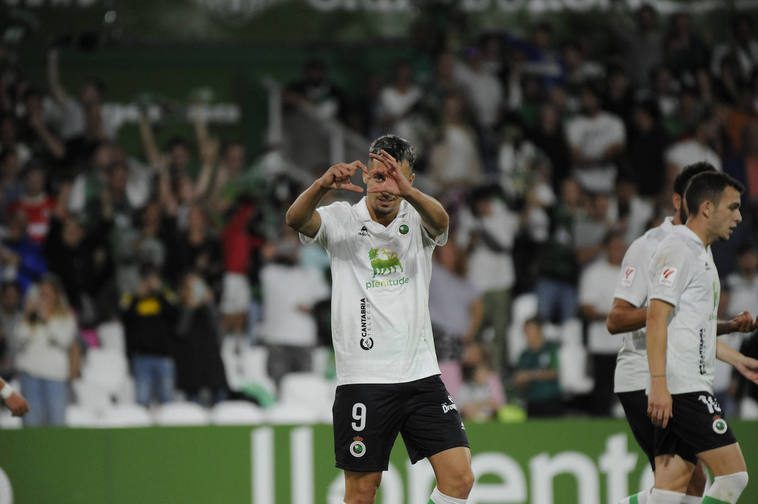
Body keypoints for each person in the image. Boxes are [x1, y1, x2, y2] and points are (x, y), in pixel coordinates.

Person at [286, 134, 474, 504]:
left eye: (395, 178)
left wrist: (410, 195)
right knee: (360, 492)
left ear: (409, 181)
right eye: (377, 177)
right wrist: (322, 186)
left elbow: (442, 220)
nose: (385, 187)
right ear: (367, 177)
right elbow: (296, 219)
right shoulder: (342, 218)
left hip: (421, 375)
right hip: (364, 380)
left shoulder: (418, 219)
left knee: (460, 479)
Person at [607, 164, 758, 504]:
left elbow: (689, 322)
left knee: (676, 489)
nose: (738, 217)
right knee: (733, 477)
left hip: (678, 380)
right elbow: (654, 317)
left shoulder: (701, 252)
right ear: (703, 206)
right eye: (732, 208)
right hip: (674, 383)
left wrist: (736, 357)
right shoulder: (673, 247)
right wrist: (659, 383)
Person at [15, 274, 78, 426]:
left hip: (54, 376)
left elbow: (64, 340)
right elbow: (19, 337)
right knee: (31, 422)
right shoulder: (30, 317)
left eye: (48, 294)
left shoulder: (65, 317)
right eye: (41, 294)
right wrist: (27, 315)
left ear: (56, 295)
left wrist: (46, 319)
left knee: (57, 422)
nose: (44, 298)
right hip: (30, 375)